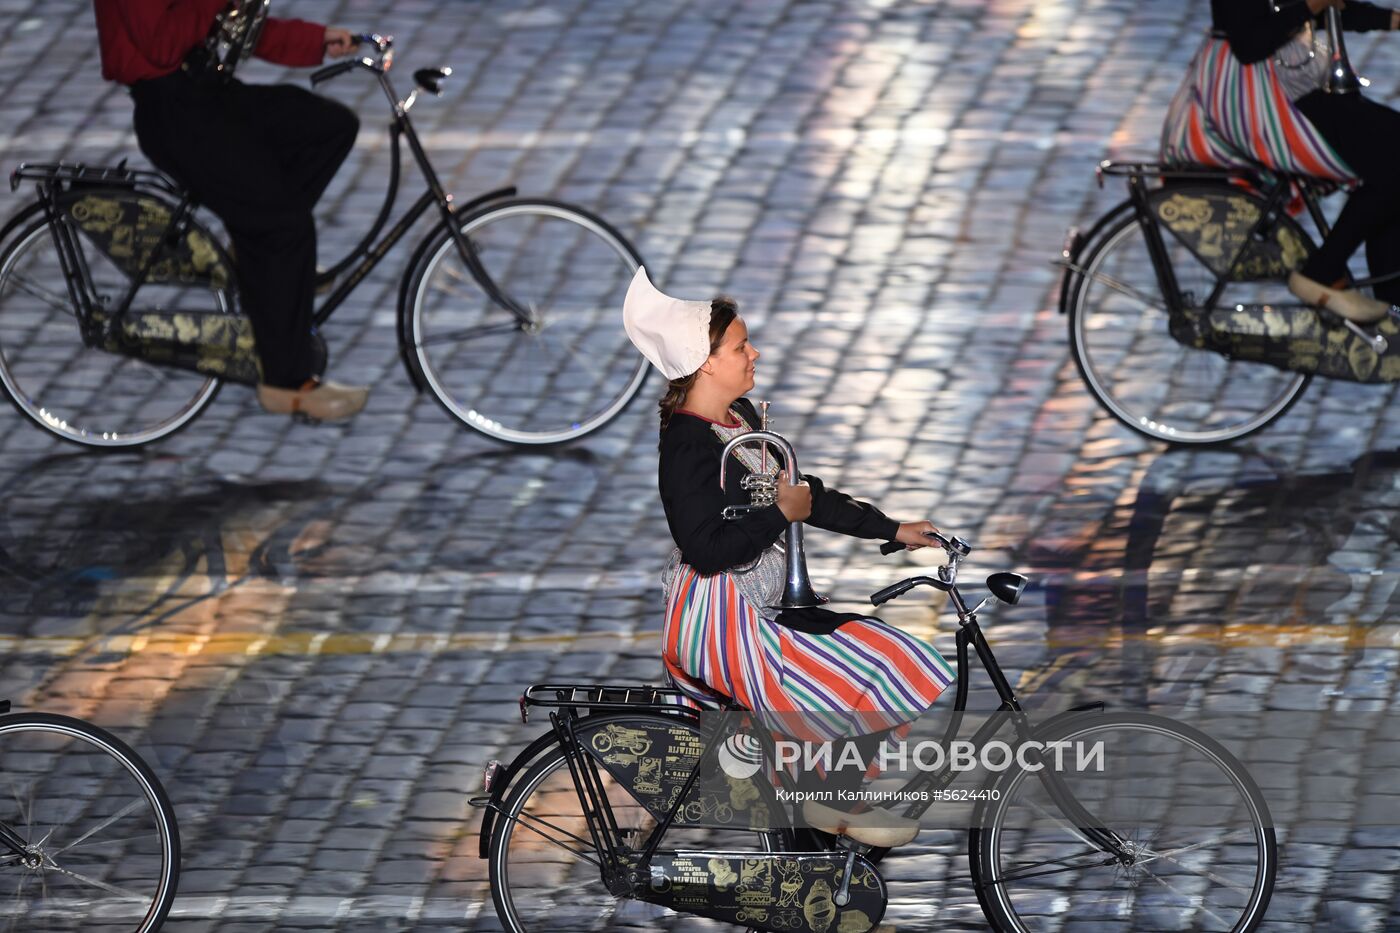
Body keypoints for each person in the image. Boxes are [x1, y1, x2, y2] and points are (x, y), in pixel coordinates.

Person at [623, 266, 956, 848]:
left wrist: (894, 529)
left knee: (885, 653)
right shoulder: (687, 443)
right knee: (846, 673)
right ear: (706, 363)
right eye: (740, 345)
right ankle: (830, 804)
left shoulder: (743, 420)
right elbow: (705, 549)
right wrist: (781, 514)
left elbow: (805, 496)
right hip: (718, 619)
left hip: (759, 607)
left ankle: (827, 808)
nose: (754, 353)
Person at [93, 0, 369, 421]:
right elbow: (162, 45)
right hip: (174, 112)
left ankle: (259, 256)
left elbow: (231, 24)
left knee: (328, 127)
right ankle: (287, 382)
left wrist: (315, 40)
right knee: (285, 228)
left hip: (207, 92)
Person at [1165, 0, 1400, 324]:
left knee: (1387, 163)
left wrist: (1390, 19)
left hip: (1285, 76)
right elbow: (1248, 41)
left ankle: (1393, 323)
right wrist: (1312, 4)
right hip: (1253, 92)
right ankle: (1321, 272)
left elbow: (1321, 8)